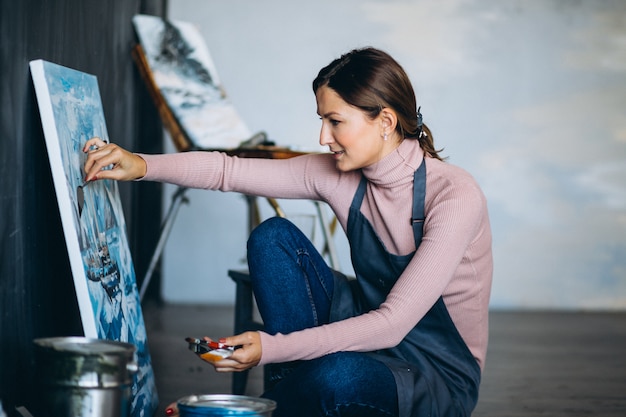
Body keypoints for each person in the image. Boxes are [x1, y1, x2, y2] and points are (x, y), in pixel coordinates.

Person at [84, 47, 493, 417]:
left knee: (338, 378)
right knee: (272, 238)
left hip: (433, 372)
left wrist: (270, 348)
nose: (322, 138)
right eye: (321, 121)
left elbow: (392, 324)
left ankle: (266, 408)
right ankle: (289, 400)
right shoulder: (339, 174)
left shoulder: (455, 195)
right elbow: (229, 170)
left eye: (335, 122)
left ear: (385, 121)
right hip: (366, 320)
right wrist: (140, 165)